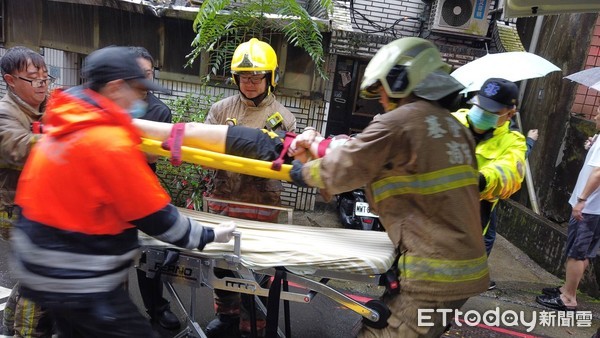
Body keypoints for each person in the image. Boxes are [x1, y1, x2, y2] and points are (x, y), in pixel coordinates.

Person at [10, 46, 237, 338]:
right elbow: (157, 217)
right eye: (137, 89)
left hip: (43, 267)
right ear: (116, 88)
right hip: (80, 280)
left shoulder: (65, 124)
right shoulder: (107, 141)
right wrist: (209, 235)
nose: (140, 98)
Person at [289, 37, 490, 337]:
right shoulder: (455, 128)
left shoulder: (399, 122)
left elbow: (346, 166)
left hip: (432, 277)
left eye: (382, 89)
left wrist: (301, 172)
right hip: (466, 271)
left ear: (401, 80)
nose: (380, 99)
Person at [203, 38, 296, 338]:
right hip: (223, 200)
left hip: (261, 205)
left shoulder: (284, 117)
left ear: (270, 78)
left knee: (257, 269)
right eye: (245, 77)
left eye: (257, 77)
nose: (250, 83)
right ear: (235, 78)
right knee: (223, 266)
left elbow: (284, 165)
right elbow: (203, 151)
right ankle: (227, 317)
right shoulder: (219, 110)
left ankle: (252, 319)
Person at [451, 78, 528, 290]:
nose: (481, 112)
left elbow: (509, 174)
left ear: (510, 113)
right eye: (479, 106)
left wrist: (479, 179)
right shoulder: (454, 121)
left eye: (491, 110)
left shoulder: (513, 142)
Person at [0, 46, 54, 338]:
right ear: (10, 80)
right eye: (34, 79)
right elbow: (22, 147)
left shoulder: (42, 106)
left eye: (46, 78)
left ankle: (9, 326)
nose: (42, 84)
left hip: (39, 205)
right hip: (14, 209)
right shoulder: (5, 115)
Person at [129, 46, 180, 331]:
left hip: (142, 188)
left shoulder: (159, 110)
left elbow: (152, 156)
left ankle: (157, 309)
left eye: (147, 74)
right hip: (107, 190)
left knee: (150, 254)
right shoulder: (111, 100)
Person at [536, 108, 600, 311]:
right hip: (595, 209)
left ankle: (569, 298)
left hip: (589, 208)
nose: (595, 117)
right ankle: (566, 289)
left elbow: (598, 174)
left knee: (576, 253)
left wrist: (582, 200)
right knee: (585, 252)